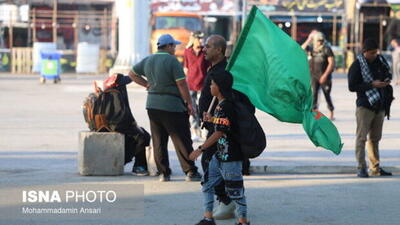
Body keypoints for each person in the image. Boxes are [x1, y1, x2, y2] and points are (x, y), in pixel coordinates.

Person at [129, 34, 202, 182]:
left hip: (152, 106)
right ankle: (190, 171)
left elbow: (132, 74)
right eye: (173, 46)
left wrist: (146, 84)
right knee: (181, 139)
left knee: (159, 140)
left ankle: (164, 173)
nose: (174, 49)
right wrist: (189, 103)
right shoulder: (172, 61)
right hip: (172, 106)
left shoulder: (148, 60)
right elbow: (182, 84)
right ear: (168, 46)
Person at [198, 35, 253, 220]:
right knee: (216, 165)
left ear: (219, 50)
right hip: (214, 125)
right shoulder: (214, 68)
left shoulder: (228, 72)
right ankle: (229, 202)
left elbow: (241, 99)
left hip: (223, 129)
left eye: (208, 46)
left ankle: (228, 201)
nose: (204, 49)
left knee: (211, 162)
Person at [190, 71, 250, 225]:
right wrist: (211, 119)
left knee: (235, 192)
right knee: (207, 184)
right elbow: (224, 123)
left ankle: (243, 221)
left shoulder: (225, 106)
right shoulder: (221, 105)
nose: (210, 87)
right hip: (220, 155)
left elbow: (219, 133)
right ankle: (208, 218)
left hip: (231, 157)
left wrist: (201, 149)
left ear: (219, 87)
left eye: (212, 84)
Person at [348, 38, 393, 178]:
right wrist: (371, 85)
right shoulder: (357, 65)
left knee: (375, 139)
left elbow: (387, 73)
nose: (375, 55)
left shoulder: (380, 61)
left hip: (379, 105)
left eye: (376, 52)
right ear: (364, 52)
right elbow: (352, 86)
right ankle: (361, 167)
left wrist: (386, 80)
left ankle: (375, 167)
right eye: (372, 53)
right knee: (361, 138)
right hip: (365, 106)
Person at [109, 74, 151, 176]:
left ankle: (140, 165)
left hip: (120, 124)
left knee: (144, 134)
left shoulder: (116, 92)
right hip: (117, 126)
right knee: (141, 137)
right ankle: (138, 166)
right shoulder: (114, 94)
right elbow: (119, 117)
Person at [302, 30, 335, 120]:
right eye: (318, 40)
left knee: (326, 94)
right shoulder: (311, 48)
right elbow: (301, 49)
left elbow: (331, 63)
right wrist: (309, 39)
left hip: (324, 76)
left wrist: (325, 75)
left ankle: (331, 111)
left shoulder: (326, 49)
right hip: (313, 76)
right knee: (314, 94)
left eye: (321, 40)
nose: (320, 42)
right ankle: (314, 113)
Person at [183, 31, 209, 141]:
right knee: (192, 108)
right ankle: (194, 130)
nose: (202, 40)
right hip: (191, 84)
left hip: (203, 84)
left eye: (203, 38)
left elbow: (209, 68)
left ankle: (204, 129)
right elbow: (186, 68)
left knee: (203, 108)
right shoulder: (187, 51)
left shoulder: (205, 51)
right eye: (200, 38)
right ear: (194, 39)